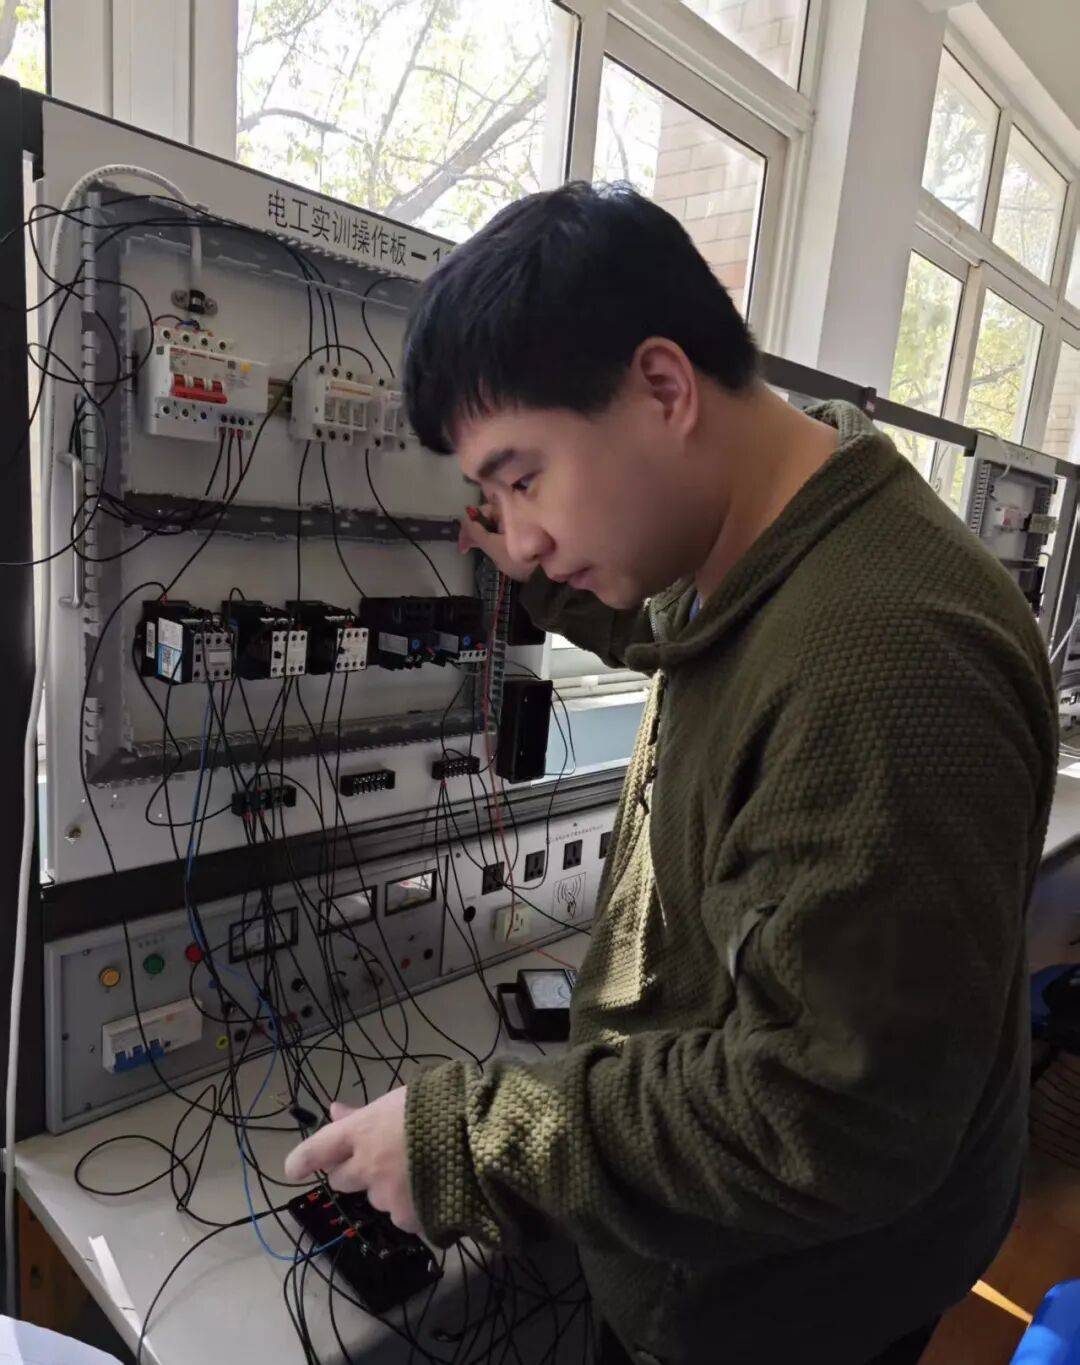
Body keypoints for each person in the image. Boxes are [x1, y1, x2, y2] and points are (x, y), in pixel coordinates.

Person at [285, 182, 1058, 1364]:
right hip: (742, 1258)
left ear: (662, 387)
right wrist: (545, 575)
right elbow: (694, 641)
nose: (517, 530)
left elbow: (827, 1121)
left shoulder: (889, 659)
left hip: (788, 1309)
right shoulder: (784, 539)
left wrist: (463, 1140)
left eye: (523, 477)